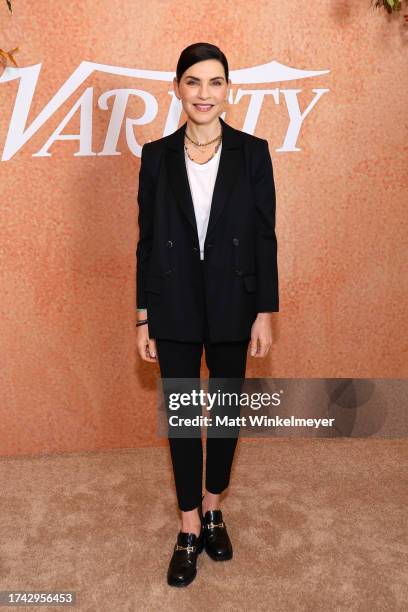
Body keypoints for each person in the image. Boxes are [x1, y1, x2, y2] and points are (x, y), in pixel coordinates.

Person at [136, 42, 279, 587]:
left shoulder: (254, 152)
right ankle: (188, 526)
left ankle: (215, 509)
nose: (204, 93)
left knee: (222, 413)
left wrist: (265, 311)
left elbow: (265, 236)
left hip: (233, 301)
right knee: (181, 419)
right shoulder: (156, 156)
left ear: (228, 89)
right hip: (171, 302)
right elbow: (147, 242)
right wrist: (142, 316)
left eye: (214, 82)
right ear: (177, 88)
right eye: (193, 82)